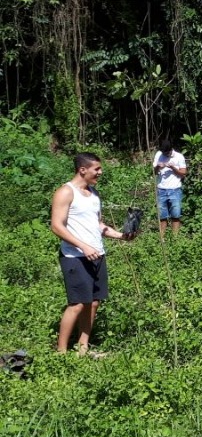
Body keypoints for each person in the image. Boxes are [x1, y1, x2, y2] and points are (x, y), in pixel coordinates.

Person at [50, 152, 136, 355]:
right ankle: (60, 353)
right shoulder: (65, 192)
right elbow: (56, 226)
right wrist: (83, 246)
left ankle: (83, 348)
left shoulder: (94, 194)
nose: (100, 172)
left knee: (94, 302)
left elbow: (98, 225)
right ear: (82, 170)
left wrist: (122, 236)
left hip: (97, 254)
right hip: (75, 257)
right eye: (96, 168)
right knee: (77, 304)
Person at [152, 138, 187, 236]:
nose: (165, 154)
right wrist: (158, 166)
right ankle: (162, 238)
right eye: (164, 152)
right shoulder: (159, 155)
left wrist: (173, 168)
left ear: (171, 149)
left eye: (167, 152)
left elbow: (184, 173)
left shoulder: (179, 156)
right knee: (162, 216)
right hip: (161, 189)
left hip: (175, 189)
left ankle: (174, 238)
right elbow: (154, 172)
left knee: (175, 215)